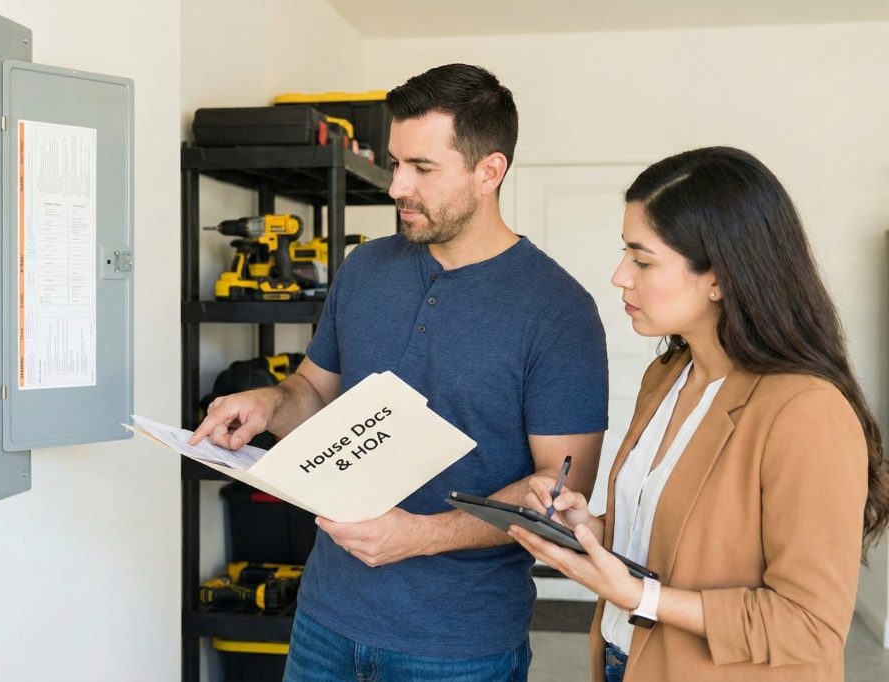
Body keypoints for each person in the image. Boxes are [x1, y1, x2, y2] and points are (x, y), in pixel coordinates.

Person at [189, 63, 609, 680]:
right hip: (325, 620)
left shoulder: (558, 310)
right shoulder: (365, 269)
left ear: (489, 171)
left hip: (459, 643)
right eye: (395, 164)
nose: (395, 188)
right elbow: (311, 388)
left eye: (422, 169)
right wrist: (267, 404)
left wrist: (420, 535)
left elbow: (557, 489)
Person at [510, 146, 889, 682]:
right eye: (625, 254)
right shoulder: (666, 376)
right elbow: (677, 541)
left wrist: (643, 596)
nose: (620, 276)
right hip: (624, 661)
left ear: (721, 277)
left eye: (642, 260)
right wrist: (588, 527)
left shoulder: (806, 411)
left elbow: (812, 625)